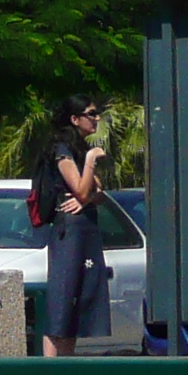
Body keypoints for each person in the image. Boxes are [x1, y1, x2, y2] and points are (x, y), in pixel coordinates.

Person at [35, 93, 113, 356]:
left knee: (81, 295)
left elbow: (98, 194)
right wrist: (91, 161)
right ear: (75, 118)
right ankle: (51, 369)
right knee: (62, 297)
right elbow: (79, 189)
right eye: (91, 114)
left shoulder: (78, 148)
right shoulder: (62, 149)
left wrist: (88, 199)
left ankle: (68, 365)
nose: (96, 118)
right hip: (68, 231)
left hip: (86, 231)